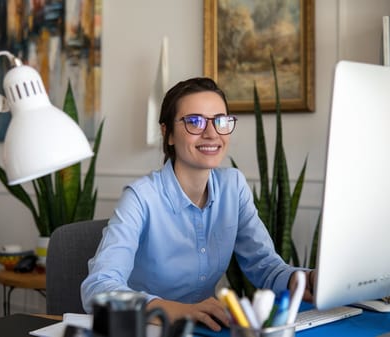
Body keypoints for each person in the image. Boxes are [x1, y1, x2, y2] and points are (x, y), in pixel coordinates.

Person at [81, 77, 313, 331]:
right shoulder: (140, 197)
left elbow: (266, 267)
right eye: (194, 121)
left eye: (220, 121)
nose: (212, 133)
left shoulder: (233, 187)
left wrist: (304, 280)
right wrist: (177, 310)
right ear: (167, 133)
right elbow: (99, 289)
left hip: (203, 330)